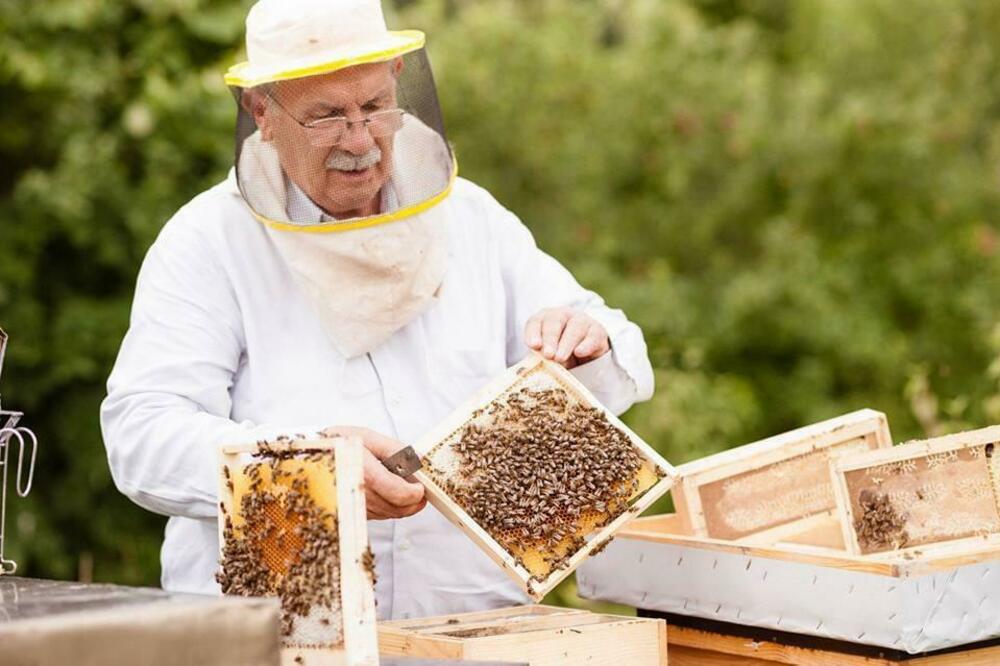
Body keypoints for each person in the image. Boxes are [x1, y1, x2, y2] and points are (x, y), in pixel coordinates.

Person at [101, 0, 654, 620]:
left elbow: (617, 359)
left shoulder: (470, 218)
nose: (359, 140)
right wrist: (305, 469)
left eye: (373, 107)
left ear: (398, 78)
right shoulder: (209, 241)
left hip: (475, 628)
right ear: (263, 112)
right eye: (326, 117)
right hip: (279, 637)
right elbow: (141, 434)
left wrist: (588, 339)